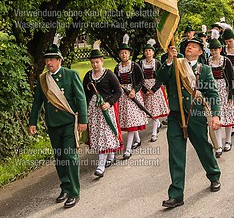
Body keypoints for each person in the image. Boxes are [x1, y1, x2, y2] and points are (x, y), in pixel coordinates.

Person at [156, 37, 221, 209]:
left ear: (200, 52)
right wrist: (169, 59)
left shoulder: (204, 69)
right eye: (188, 45)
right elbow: (160, 78)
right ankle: (176, 195)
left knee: (203, 148)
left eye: (195, 46)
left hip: (196, 114)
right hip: (176, 116)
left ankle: (214, 175)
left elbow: (213, 93)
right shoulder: (175, 64)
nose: (190, 47)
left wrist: (216, 115)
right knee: (176, 155)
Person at [29, 45, 87, 208]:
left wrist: (83, 120)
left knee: (69, 156)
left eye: (51, 59)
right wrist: (32, 121)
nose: (49, 62)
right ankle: (65, 187)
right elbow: (37, 102)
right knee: (60, 158)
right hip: (53, 124)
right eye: (47, 60)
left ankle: (74, 192)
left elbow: (80, 98)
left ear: (59, 60)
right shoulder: (43, 79)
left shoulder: (70, 75)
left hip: (69, 122)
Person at [83, 48, 123, 177]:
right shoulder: (88, 76)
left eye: (97, 62)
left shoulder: (109, 74)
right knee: (98, 134)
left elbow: (118, 92)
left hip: (106, 109)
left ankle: (101, 165)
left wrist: (109, 103)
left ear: (102, 62)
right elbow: (85, 94)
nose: (95, 65)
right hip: (93, 110)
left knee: (105, 135)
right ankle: (111, 156)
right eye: (93, 62)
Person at [208, 38, 234, 156]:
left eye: (216, 49)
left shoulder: (226, 61)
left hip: (225, 91)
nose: (214, 52)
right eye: (212, 50)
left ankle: (228, 140)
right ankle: (218, 145)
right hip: (213, 92)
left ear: (220, 49)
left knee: (228, 118)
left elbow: (231, 78)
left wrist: (231, 93)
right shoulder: (208, 62)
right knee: (216, 118)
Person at [114, 41, 147, 159]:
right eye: (122, 53)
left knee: (131, 121)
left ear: (129, 54)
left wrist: (134, 90)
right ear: (119, 55)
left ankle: (128, 149)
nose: (124, 55)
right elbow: (115, 82)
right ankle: (137, 140)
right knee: (128, 120)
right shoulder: (117, 67)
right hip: (122, 97)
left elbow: (141, 80)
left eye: (126, 53)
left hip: (133, 95)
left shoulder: (134, 66)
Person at [140, 42, 169, 142]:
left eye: (150, 51)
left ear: (153, 52)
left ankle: (153, 133)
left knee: (155, 110)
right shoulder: (141, 63)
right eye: (146, 51)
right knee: (147, 110)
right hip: (145, 89)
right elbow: (139, 78)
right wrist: (144, 90)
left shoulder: (156, 63)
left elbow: (161, 77)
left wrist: (153, 89)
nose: (148, 52)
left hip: (155, 89)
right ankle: (157, 124)